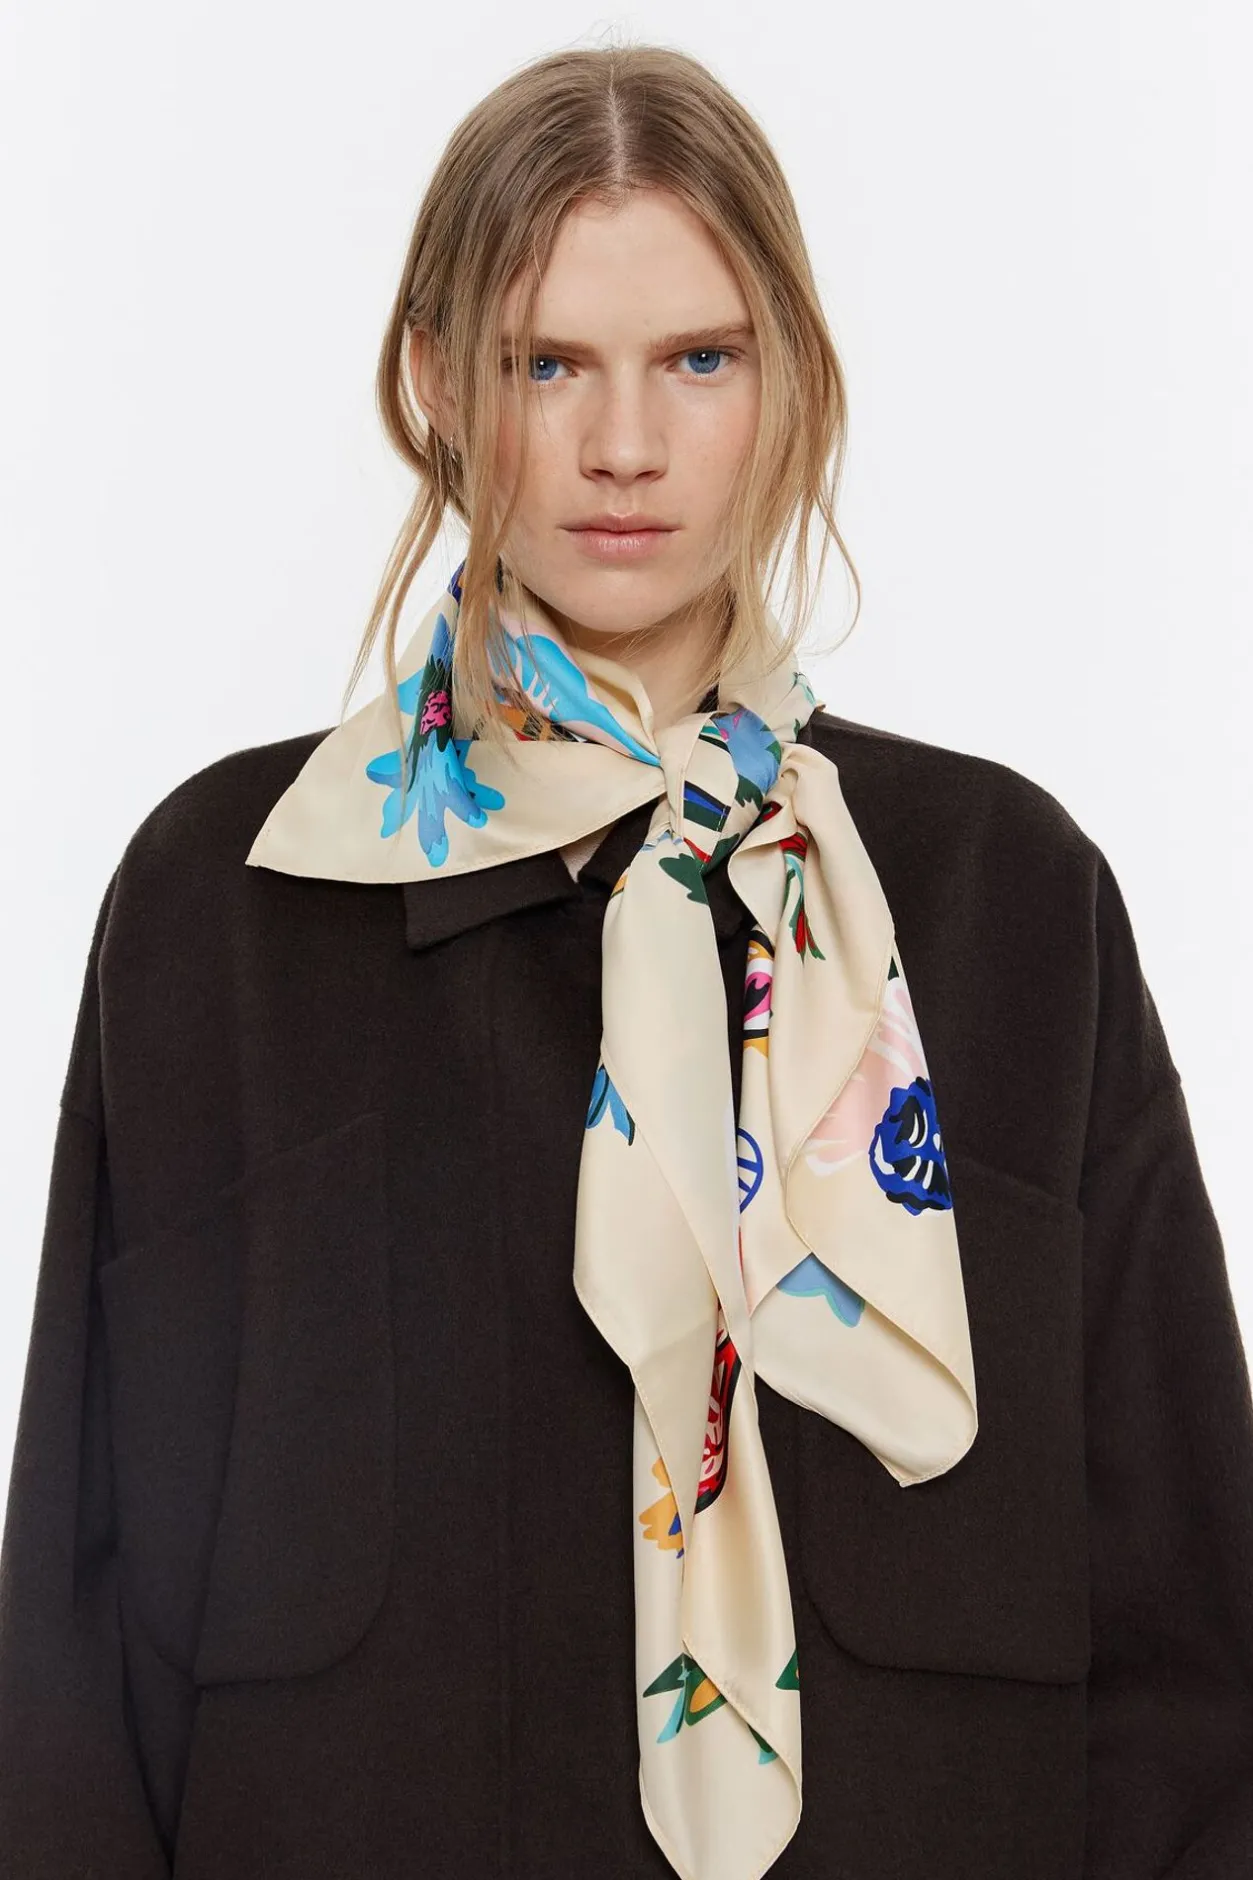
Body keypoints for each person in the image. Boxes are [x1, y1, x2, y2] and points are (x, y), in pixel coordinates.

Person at [1, 40, 1251, 1880]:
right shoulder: (228, 907)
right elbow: (79, 1641)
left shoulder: (1010, 903)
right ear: (436, 381)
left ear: (792, 376)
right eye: (545, 363)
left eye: (700, 359)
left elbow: (1191, 1653)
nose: (625, 448)